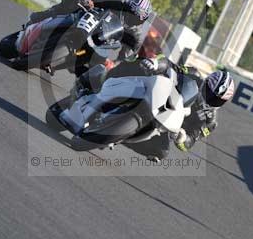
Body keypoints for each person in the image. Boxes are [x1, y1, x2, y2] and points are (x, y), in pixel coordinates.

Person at [73, 56, 235, 162]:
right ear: (206, 81)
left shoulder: (209, 121)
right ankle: (103, 79)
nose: (208, 97)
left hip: (164, 124)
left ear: (221, 102)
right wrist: (156, 63)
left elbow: (190, 141)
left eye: (214, 98)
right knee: (138, 62)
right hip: (155, 95)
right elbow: (171, 65)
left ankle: (118, 138)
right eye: (208, 91)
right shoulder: (193, 75)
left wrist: (182, 138)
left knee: (161, 151)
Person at [27, 0, 153, 60]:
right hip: (88, 22)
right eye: (130, 13)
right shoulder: (117, 2)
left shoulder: (134, 35)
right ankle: (41, 16)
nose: (131, 19)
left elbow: (125, 57)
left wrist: (115, 64)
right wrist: (89, 0)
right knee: (71, 2)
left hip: (98, 46)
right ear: (126, 7)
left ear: (142, 21)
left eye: (136, 19)